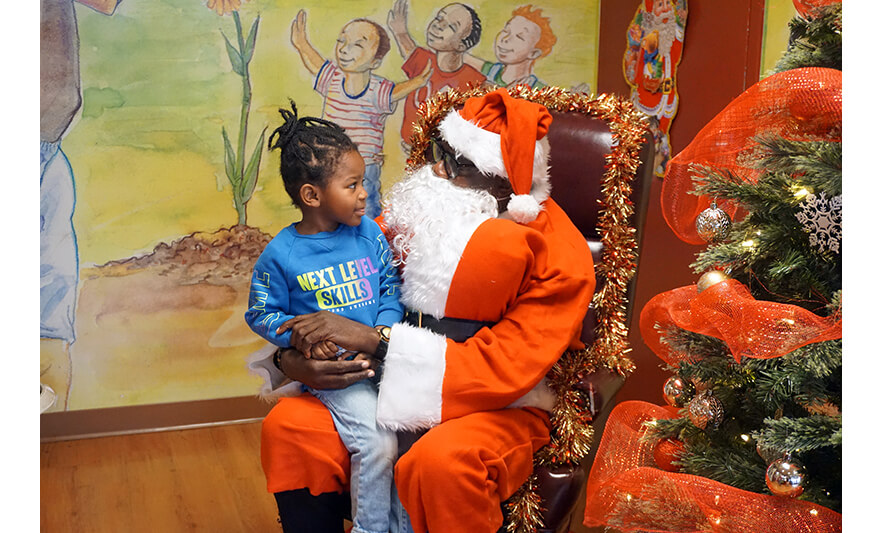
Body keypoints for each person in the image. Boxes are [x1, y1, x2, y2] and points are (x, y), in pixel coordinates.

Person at [250, 88, 596, 533]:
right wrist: (290, 360)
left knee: (440, 463)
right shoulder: (422, 212)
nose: (436, 169)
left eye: (456, 164)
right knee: (292, 427)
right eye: (439, 152)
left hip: (495, 405)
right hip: (378, 385)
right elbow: (329, 285)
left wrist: (376, 341)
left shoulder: (559, 256)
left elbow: (506, 366)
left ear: (504, 182)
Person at [244, 103, 407, 533]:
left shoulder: (370, 233)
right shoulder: (281, 254)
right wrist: (297, 339)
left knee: (412, 443)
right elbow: (260, 313)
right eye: (352, 185)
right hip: (339, 378)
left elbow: (390, 288)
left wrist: (381, 332)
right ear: (312, 196)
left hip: (386, 364)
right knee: (377, 445)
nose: (364, 193)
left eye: (363, 182)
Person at [289, 11, 433, 219]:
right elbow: (315, 63)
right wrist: (301, 43)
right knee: (330, 210)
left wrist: (419, 81)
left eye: (358, 44)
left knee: (367, 209)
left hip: (364, 168)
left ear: (375, 62)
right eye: (342, 41)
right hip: (330, 164)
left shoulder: (378, 90)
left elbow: (397, 91)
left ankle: (369, 237)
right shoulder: (332, 79)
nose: (344, 49)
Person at [386, 0, 486, 150]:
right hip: (407, 151)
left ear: (461, 45)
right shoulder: (423, 61)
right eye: (439, 17)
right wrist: (399, 30)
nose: (438, 25)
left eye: (451, 26)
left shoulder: (474, 81)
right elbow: (405, 43)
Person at [463, 4, 557, 89]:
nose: (505, 39)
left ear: (534, 53)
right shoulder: (490, 70)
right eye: (506, 30)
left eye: (519, 37)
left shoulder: (539, 89)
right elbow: (462, 57)